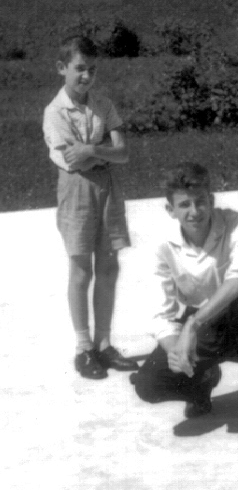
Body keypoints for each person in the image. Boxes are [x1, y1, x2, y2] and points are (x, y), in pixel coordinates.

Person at [130, 163, 238, 435]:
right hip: (199, 329)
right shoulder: (161, 245)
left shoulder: (236, 223)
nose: (194, 212)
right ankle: (201, 384)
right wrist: (178, 352)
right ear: (170, 210)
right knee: (148, 385)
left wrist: (193, 326)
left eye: (200, 202)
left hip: (237, 323)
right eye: (184, 205)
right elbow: (160, 313)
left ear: (211, 200)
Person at [42, 35, 138, 379]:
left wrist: (91, 150)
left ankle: (104, 344)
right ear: (62, 68)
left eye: (92, 69)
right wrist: (98, 150)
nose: (86, 76)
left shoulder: (103, 104)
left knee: (109, 267)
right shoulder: (55, 112)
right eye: (80, 68)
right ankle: (83, 348)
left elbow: (123, 153)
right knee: (82, 270)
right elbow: (72, 161)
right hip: (77, 192)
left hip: (109, 190)